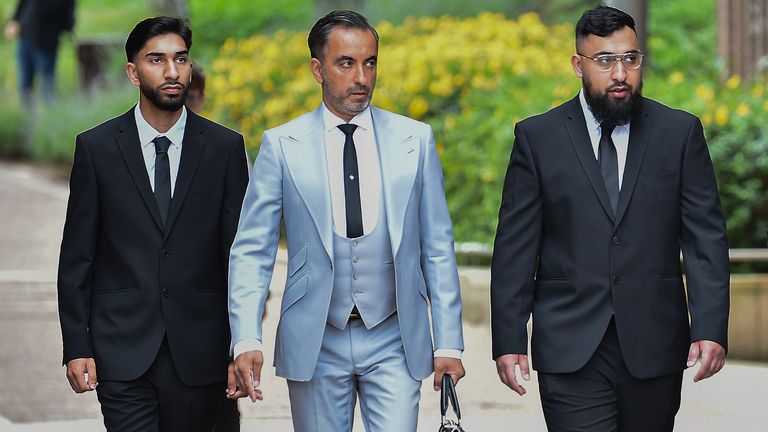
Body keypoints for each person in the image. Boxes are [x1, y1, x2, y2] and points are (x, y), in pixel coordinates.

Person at [490, 5, 730, 432]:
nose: (620, 73)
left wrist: (710, 326)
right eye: (605, 61)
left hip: (654, 344)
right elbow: (515, 247)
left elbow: (705, 239)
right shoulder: (537, 138)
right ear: (578, 65)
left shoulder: (679, 133)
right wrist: (508, 338)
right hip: (569, 343)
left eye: (630, 59)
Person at [227, 9, 465, 431]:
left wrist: (449, 342)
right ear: (318, 69)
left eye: (370, 62)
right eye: (346, 63)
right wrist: (247, 338)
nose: (362, 77)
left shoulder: (416, 141)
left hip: (394, 336)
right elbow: (252, 249)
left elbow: (438, 247)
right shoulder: (282, 146)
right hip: (316, 340)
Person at [57, 16, 249, 432]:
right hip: (123, 352)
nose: (171, 71)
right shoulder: (96, 149)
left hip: (203, 354)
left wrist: (241, 346)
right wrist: (76, 345)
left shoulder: (224, 149)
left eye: (180, 59)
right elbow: (77, 259)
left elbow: (239, 259)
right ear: (132, 72)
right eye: (156, 59)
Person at [4, 0, 75, 105]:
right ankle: (29, 116)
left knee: (47, 84)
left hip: (47, 43)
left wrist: (61, 31)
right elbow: (22, 4)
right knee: (25, 83)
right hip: (26, 38)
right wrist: (14, 21)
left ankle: (48, 116)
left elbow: (69, 17)